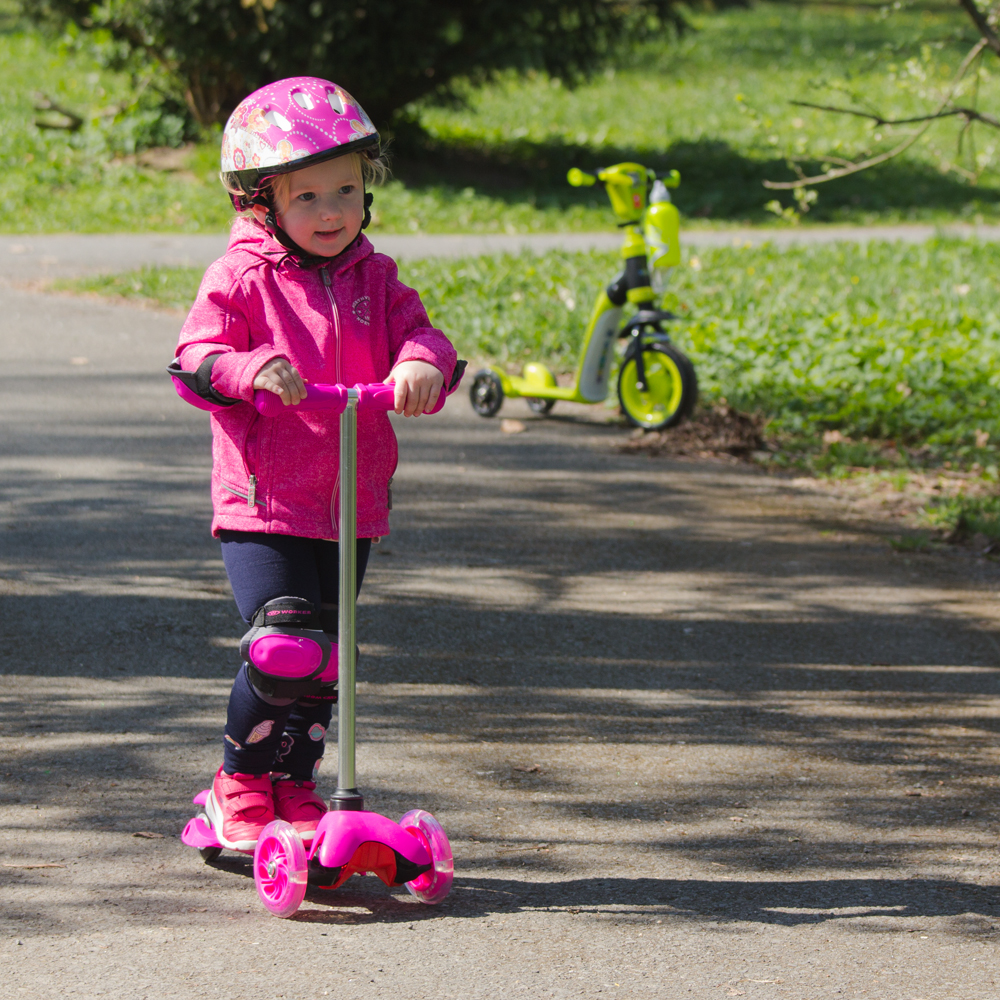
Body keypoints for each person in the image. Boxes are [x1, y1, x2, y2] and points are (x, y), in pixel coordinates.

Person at [168, 77, 459, 853]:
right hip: (265, 503)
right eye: (308, 198)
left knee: (326, 664)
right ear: (260, 203)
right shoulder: (242, 279)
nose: (332, 211)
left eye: (347, 190)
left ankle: (294, 788)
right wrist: (246, 369)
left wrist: (425, 366)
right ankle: (238, 789)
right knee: (286, 644)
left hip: (351, 502)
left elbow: (425, 339)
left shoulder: (379, 278)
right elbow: (194, 357)